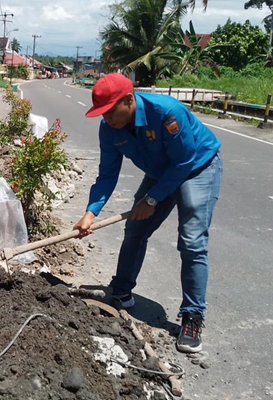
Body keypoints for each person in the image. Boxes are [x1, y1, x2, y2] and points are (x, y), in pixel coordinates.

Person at [74, 73, 222, 353]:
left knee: (191, 241)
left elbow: (184, 161)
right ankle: (121, 292)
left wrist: (152, 199)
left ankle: (192, 317)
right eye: (101, 114)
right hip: (161, 171)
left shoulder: (166, 113)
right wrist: (90, 212)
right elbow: (107, 175)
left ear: (129, 100)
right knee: (135, 229)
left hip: (197, 166)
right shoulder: (110, 129)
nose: (106, 119)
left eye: (109, 112)